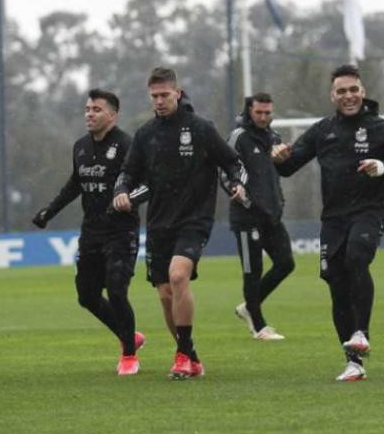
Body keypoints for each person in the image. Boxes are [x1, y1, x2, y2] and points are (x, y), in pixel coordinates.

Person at [273, 65, 384, 382]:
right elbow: (288, 167)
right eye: (342, 91)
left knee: (356, 257)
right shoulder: (323, 130)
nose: (348, 96)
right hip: (333, 219)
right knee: (335, 282)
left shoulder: (382, 129)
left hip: (368, 211)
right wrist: (279, 158)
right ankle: (353, 362)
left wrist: (382, 166)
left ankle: (362, 333)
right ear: (332, 95)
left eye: (354, 90)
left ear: (363, 92)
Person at [112, 67, 247, 380]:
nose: (159, 101)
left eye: (164, 95)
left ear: (177, 92)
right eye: (154, 96)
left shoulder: (200, 129)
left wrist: (238, 184)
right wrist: (121, 191)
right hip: (159, 223)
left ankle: (182, 354)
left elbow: (232, 162)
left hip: (194, 220)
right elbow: (128, 173)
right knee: (164, 295)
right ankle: (191, 355)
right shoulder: (146, 134)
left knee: (177, 276)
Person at [32, 89, 148, 375]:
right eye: (87, 109)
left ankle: (129, 355)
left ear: (112, 114)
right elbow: (75, 184)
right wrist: (49, 211)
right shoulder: (81, 146)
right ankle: (129, 335)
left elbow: (144, 183)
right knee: (87, 296)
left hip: (121, 231)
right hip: (91, 232)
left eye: (96, 109)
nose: (89, 114)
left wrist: (130, 199)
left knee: (117, 291)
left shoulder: (126, 145)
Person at [225, 93, 295, 341]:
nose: (264, 117)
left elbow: (282, 172)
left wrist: (285, 157)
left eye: (268, 113)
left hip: (271, 214)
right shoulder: (239, 137)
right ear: (249, 111)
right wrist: (236, 189)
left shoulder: (273, 137)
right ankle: (258, 325)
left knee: (286, 263)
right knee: (252, 271)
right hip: (247, 215)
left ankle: (248, 307)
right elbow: (225, 168)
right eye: (259, 113)